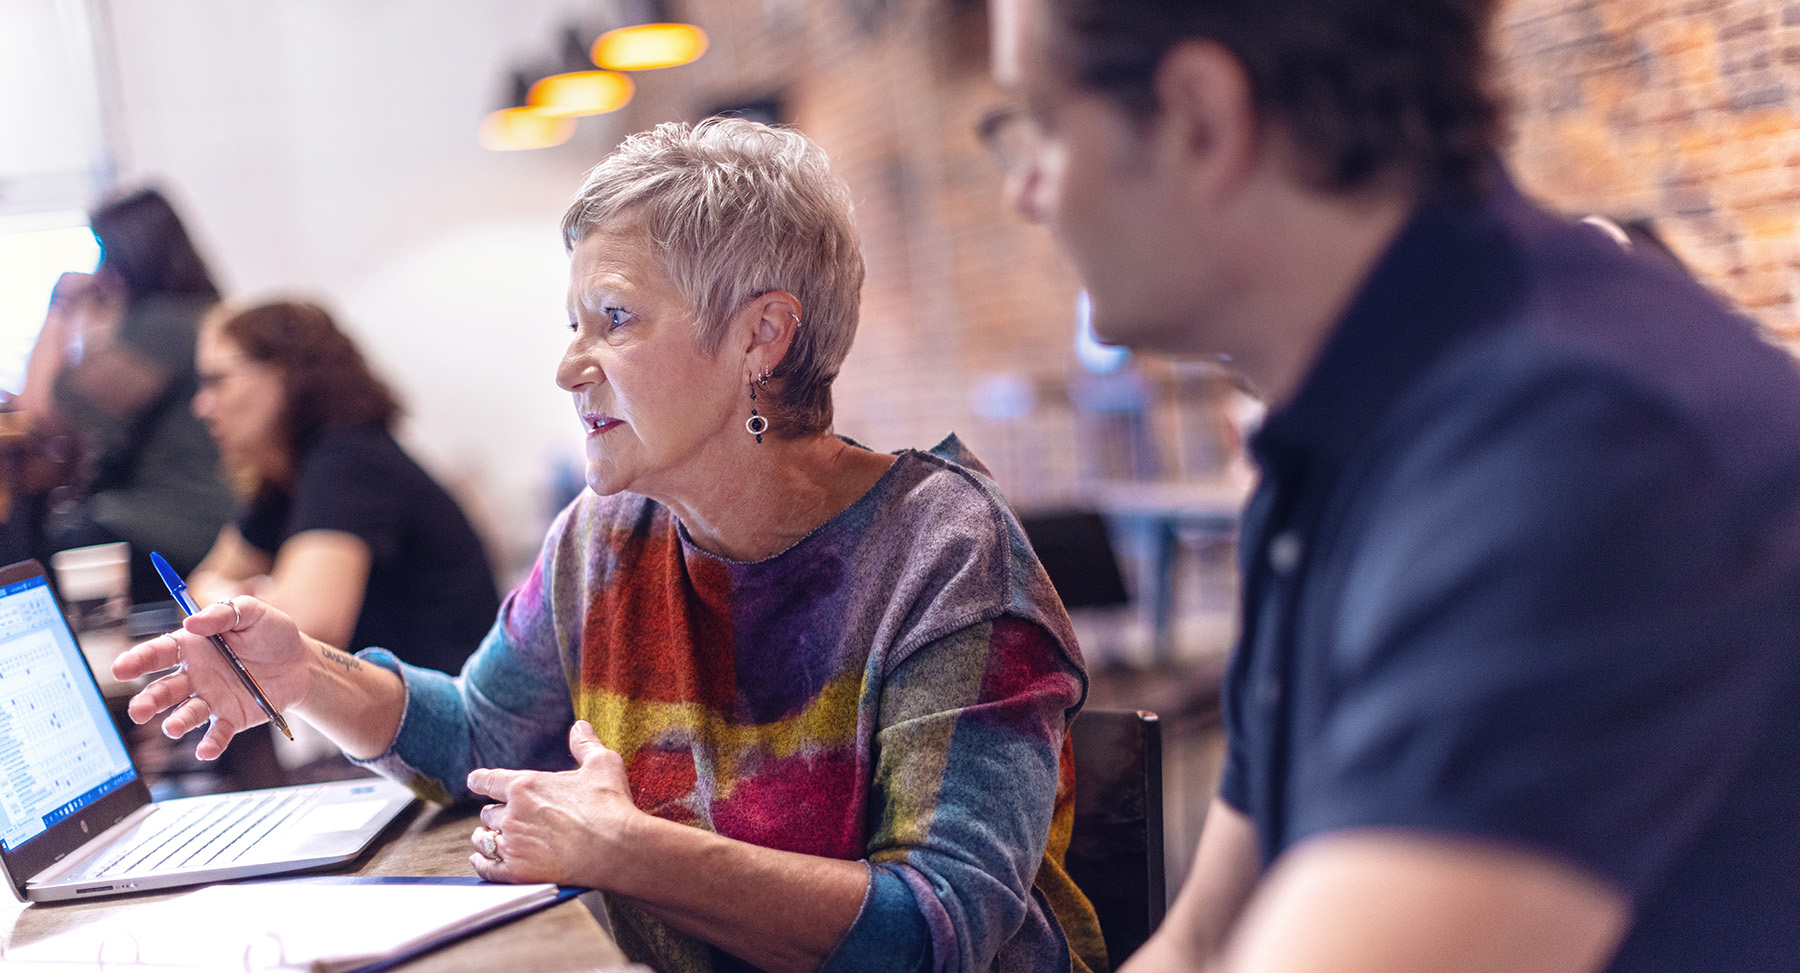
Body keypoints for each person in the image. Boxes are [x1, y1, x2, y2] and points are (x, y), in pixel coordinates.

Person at [115, 119, 1106, 973]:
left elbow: (941, 932)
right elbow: (479, 739)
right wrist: (304, 675)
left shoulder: (943, 555)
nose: (566, 365)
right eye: (573, 322)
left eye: (614, 319)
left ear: (762, 337)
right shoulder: (608, 536)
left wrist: (628, 853)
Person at [984, 0, 1800, 971]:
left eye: (1040, 118)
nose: (1023, 191)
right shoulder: (1333, 443)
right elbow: (1205, 941)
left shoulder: (1583, 445)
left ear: (1202, 117)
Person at [186, 299, 500, 674]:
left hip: (458, 715)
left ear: (282, 374)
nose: (201, 406)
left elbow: (303, 628)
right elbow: (191, 595)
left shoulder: (349, 459)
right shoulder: (286, 480)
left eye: (216, 381)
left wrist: (233, 601)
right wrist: (245, 601)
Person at [15, 187, 235, 602]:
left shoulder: (164, 324)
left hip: (174, 517)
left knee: (28, 550)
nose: (101, 271)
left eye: (105, 254)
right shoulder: (194, 315)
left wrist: (61, 303)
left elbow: (40, 406)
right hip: (201, 515)